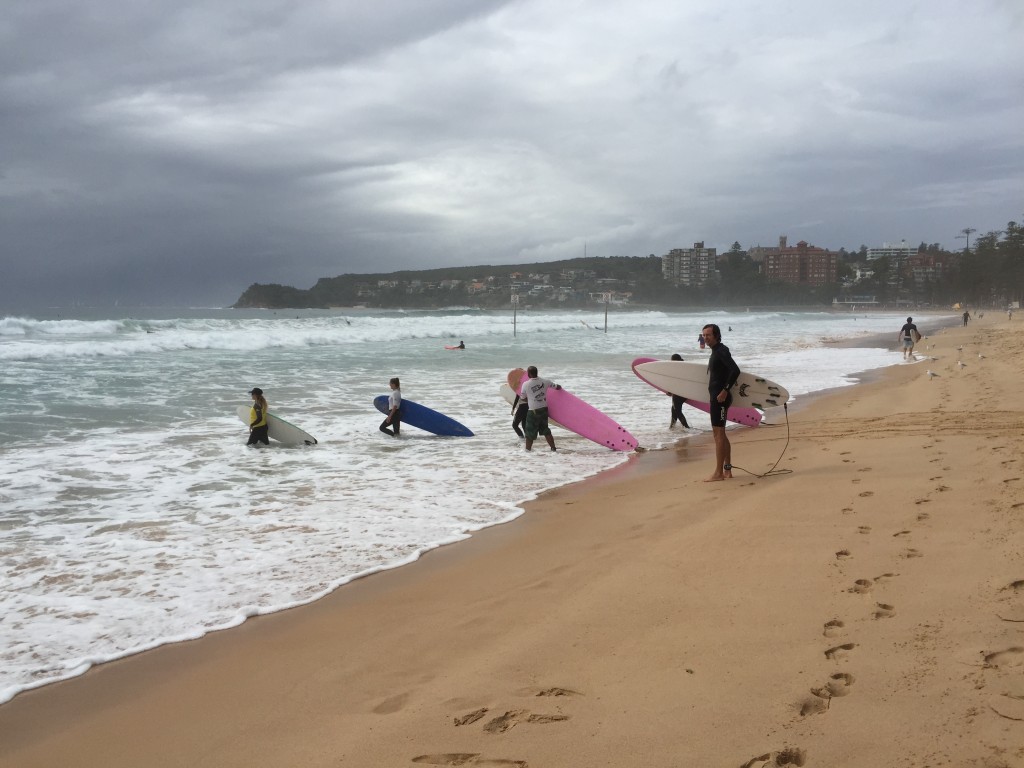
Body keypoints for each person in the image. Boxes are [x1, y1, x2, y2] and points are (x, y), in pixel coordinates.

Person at [702, 324, 740, 481]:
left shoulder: (721, 351)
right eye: (703, 335)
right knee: (721, 435)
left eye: (708, 335)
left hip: (720, 399)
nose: (705, 338)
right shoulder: (716, 351)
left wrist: (725, 390)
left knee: (718, 435)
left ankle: (718, 473)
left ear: (716, 335)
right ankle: (727, 470)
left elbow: (735, 370)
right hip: (717, 398)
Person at [521, 365, 561, 452]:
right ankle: (553, 448)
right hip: (544, 408)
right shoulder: (545, 381)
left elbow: (523, 398)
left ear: (529, 374)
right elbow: (558, 387)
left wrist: (531, 398)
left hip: (533, 410)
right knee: (545, 429)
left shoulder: (526, 384)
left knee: (530, 431)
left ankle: (527, 451)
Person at [668, 353, 689, 428]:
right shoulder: (684, 367)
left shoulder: (677, 369)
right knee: (674, 410)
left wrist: (670, 391)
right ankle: (672, 428)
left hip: (678, 393)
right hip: (685, 392)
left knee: (677, 411)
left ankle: (687, 428)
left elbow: (675, 381)